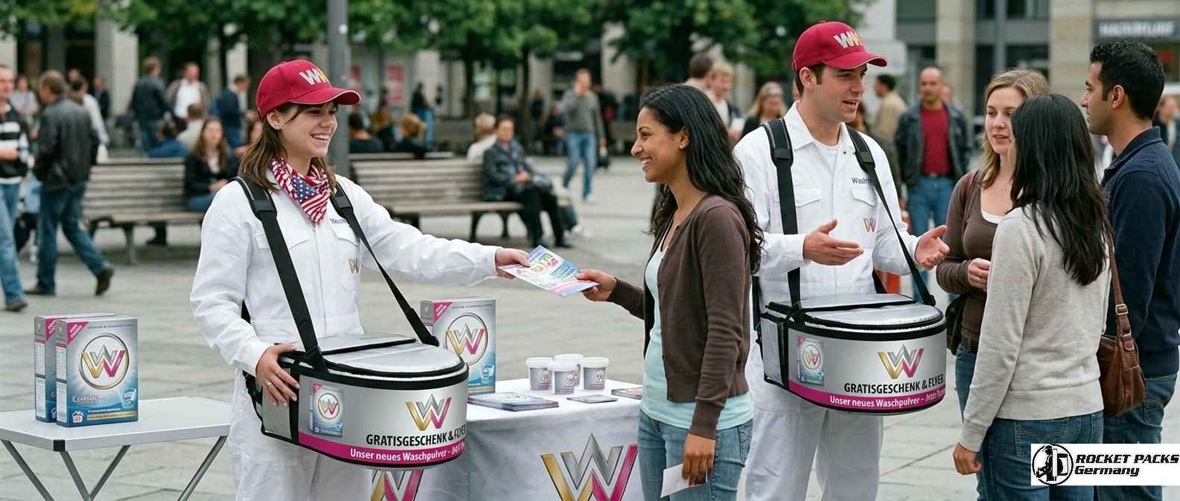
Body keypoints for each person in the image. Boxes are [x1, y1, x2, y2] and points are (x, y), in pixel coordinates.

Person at [189, 59, 529, 501]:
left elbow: (408, 248)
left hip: (348, 389)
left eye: (332, 111)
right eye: (314, 111)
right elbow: (212, 301)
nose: (328, 122)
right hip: (277, 391)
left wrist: (489, 259)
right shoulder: (238, 202)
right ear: (275, 118)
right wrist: (254, 355)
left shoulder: (342, 195)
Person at [732, 22, 949, 501]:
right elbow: (739, 248)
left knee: (856, 485)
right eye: (845, 75)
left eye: (862, 75)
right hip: (787, 353)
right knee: (776, 487)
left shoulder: (869, 153)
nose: (859, 87)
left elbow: (883, 243)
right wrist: (801, 248)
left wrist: (915, 249)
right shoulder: (758, 151)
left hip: (858, 353)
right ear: (808, 77)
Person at [576, 84, 759, 500]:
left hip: (701, 422)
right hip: (657, 412)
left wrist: (704, 426)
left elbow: (725, 331)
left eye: (646, 135)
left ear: (683, 136)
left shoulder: (716, 218)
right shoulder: (675, 211)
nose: (635, 148)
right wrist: (617, 291)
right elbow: (677, 312)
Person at [952, 94, 1112, 499]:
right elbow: (1095, 321)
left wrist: (971, 433)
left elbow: (1000, 343)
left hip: (1026, 415)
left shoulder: (1021, 228)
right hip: (1085, 408)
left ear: (1034, 149)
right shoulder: (1095, 222)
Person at [936, 68, 1049, 498]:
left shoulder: (1053, 190)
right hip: (976, 349)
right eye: (991, 112)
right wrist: (966, 273)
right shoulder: (970, 186)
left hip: (1036, 358)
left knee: (1041, 481)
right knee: (990, 480)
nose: (998, 124)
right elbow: (945, 268)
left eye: (1011, 113)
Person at [1082, 41, 1180, 501]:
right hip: (1138, 365)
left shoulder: (1142, 176)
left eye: (1091, 87)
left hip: (1131, 373)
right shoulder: (1138, 164)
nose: (1085, 99)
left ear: (1116, 95)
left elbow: (1130, 293)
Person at [26, 70, 114, 297]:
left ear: (47, 89)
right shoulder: (80, 110)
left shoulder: (50, 114)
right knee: (72, 226)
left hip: (57, 180)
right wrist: (86, 167)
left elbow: (47, 149)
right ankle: (99, 266)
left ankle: (46, 281)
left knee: (47, 229)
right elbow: (95, 141)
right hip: (77, 178)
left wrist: (39, 172)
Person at [895, 65, 972, 298]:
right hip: (918, 186)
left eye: (932, 83)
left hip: (947, 186)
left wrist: (963, 182)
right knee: (918, 246)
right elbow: (900, 152)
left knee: (951, 246)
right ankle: (920, 303)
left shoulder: (956, 117)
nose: (928, 88)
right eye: (924, 84)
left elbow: (965, 149)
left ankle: (954, 301)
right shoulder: (909, 117)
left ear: (941, 86)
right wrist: (902, 187)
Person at [482, 115, 568, 248]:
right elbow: (492, 176)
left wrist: (528, 176)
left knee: (549, 196)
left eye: (510, 129)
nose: (507, 132)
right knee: (532, 195)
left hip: (522, 188)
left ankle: (560, 237)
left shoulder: (516, 149)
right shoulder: (490, 152)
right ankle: (538, 237)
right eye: (504, 129)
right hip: (503, 191)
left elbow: (529, 169)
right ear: (496, 131)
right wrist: (514, 179)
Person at [0, 65, 28, 312]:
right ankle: (14, 294)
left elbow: (24, 148)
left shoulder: (15, 115)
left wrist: (22, 171)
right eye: (2, 81)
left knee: (5, 238)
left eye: (9, 80)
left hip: (12, 184)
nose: (7, 85)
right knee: (6, 239)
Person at [558, 68, 606, 203]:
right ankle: (564, 185)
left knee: (590, 164)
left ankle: (587, 192)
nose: (585, 83)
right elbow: (566, 110)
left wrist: (601, 136)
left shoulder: (592, 97)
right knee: (573, 162)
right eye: (582, 80)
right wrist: (577, 95)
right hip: (573, 133)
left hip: (589, 134)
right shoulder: (570, 95)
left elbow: (597, 118)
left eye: (587, 80)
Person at [183, 118, 238, 213]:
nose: (214, 135)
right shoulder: (193, 157)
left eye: (218, 131)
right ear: (203, 133)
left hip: (221, 196)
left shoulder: (227, 155)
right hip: (198, 198)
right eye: (210, 131)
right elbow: (190, 185)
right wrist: (210, 187)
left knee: (226, 199)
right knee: (219, 200)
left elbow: (233, 177)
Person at [130, 57, 170, 152]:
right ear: (155, 68)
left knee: (145, 143)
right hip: (155, 117)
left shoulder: (139, 83)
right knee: (157, 143)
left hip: (142, 118)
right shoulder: (157, 83)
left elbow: (134, 102)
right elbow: (163, 101)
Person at [167, 62, 211, 130]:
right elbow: (168, 100)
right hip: (179, 119)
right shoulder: (176, 86)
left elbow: (206, 103)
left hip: (196, 120)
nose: (194, 74)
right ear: (185, 72)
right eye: (191, 72)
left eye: (196, 72)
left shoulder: (201, 87)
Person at [70, 77, 109, 148]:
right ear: (84, 87)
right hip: (88, 136)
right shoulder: (90, 100)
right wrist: (103, 138)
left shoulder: (68, 100)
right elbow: (96, 120)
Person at [709, 62, 742, 142]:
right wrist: (727, 132)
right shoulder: (704, 102)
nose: (726, 86)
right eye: (722, 81)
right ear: (712, 80)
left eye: (729, 82)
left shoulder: (728, 105)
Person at [216, 74, 251, 149]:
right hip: (231, 126)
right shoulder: (230, 95)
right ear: (240, 83)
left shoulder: (229, 94)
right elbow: (230, 110)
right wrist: (244, 114)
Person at [873, 74, 905, 145]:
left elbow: (885, 133)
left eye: (876, 85)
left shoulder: (889, 104)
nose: (874, 88)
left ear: (884, 86)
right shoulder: (895, 100)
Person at [1155, 95, 1180, 166]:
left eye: (1174, 106)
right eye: (1169, 106)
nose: (1172, 109)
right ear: (1161, 108)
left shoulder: (1176, 124)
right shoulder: (1154, 125)